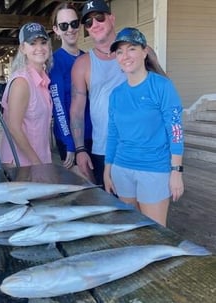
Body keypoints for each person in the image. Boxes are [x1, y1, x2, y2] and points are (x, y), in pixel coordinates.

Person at [104, 27, 184, 226]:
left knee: (156, 233)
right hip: (122, 169)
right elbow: (113, 134)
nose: (125, 56)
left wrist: (176, 171)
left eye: (131, 49)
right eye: (120, 51)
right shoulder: (116, 94)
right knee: (132, 230)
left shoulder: (162, 86)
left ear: (144, 51)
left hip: (154, 169)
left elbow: (175, 131)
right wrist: (108, 169)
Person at [70, 0, 126, 185]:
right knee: (113, 209)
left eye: (99, 18)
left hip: (141, 147)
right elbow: (77, 111)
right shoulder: (82, 63)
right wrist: (80, 149)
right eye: (88, 22)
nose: (94, 25)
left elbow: (163, 95)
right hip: (103, 150)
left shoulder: (138, 52)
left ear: (112, 18)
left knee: (145, 209)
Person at [0, 22, 53, 167]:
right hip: (22, 164)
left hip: (38, 159)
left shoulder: (43, 81)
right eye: (32, 43)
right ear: (23, 48)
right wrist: (37, 163)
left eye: (43, 42)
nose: (39, 48)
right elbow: (14, 128)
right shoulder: (22, 82)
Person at [49, 2, 93, 175]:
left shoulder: (88, 58)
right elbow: (58, 106)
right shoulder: (54, 62)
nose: (70, 29)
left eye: (74, 23)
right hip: (72, 139)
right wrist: (70, 144)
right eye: (64, 25)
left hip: (95, 136)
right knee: (85, 192)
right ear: (56, 30)